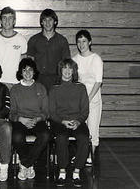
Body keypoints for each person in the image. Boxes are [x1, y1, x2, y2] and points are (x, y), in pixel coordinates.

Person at [0, 6, 27, 163]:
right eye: (4, 18)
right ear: (0, 20)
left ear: (15, 20)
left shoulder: (21, 40)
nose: (7, 21)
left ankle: (15, 151)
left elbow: (24, 65)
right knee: (0, 119)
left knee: (15, 120)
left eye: (11, 18)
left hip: (16, 85)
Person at [49, 59, 90, 187]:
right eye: (64, 68)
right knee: (61, 137)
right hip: (60, 121)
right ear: (60, 70)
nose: (67, 71)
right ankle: (62, 171)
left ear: (74, 71)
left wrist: (78, 121)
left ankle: (76, 172)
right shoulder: (54, 88)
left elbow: (85, 110)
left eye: (70, 68)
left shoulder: (81, 87)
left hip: (77, 120)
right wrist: (63, 121)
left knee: (84, 137)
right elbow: (51, 112)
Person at [10, 58, 50, 180]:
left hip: (37, 120)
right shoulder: (15, 89)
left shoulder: (41, 88)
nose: (27, 72)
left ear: (34, 72)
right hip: (21, 120)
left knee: (45, 135)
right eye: (24, 70)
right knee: (16, 136)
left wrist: (37, 119)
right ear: (20, 73)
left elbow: (46, 112)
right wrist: (20, 119)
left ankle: (26, 163)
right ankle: (28, 164)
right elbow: (11, 112)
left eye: (30, 70)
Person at [73, 29, 103, 165]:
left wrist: (88, 98)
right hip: (78, 100)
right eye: (79, 41)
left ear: (89, 42)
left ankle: (90, 155)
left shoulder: (96, 59)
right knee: (80, 130)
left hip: (93, 99)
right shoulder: (74, 59)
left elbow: (98, 81)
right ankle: (81, 155)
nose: (81, 44)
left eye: (84, 41)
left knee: (92, 129)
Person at [27, 8, 71, 92]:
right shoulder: (33, 40)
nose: (47, 23)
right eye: (45, 20)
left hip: (56, 80)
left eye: (50, 20)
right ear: (41, 22)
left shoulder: (62, 40)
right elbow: (29, 63)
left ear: (55, 22)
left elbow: (66, 63)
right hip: (38, 80)